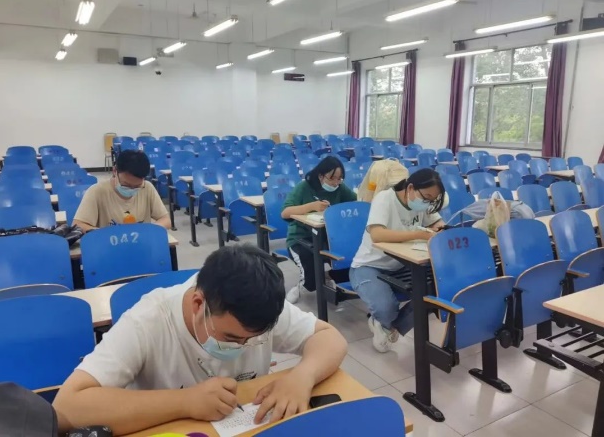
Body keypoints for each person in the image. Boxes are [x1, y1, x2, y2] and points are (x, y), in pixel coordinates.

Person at [53, 245, 347, 436]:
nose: (242, 347)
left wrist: (301, 376)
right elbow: (67, 407)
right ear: (198, 304)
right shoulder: (147, 321)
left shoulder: (259, 306)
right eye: (231, 337)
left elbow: (329, 338)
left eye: (255, 340)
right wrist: (185, 401)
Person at [350, 169, 446, 353]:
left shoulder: (422, 202)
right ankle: (382, 319)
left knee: (434, 291)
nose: (427, 203)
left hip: (402, 265)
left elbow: (436, 222)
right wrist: (418, 234)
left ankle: (390, 327)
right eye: (426, 197)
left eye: (432, 200)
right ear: (410, 188)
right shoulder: (385, 198)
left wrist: (441, 229)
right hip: (369, 266)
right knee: (386, 308)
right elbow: (377, 234)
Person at [281, 156, 357, 303]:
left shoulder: (339, 187)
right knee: (312, 281)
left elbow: (355, 201)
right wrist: (311, 206)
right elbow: (285, 213)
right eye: (332, 178)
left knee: (351, 264)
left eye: (340, 178)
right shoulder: (304, 187)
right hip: (300, 238)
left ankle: (326, 277)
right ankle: (301, 286)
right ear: (321, 176)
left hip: (327, 237)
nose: (336, 182)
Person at [73, 150, 171, 232]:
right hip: (109, 245)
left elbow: (165, 220)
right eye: (126, 185)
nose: (131, 189)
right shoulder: (97, 191)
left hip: (140, 244)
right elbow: (78, 225)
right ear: (115, 171)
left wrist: (148, 231)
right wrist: (108, 234)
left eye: (137, 186)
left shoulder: (147, 188)